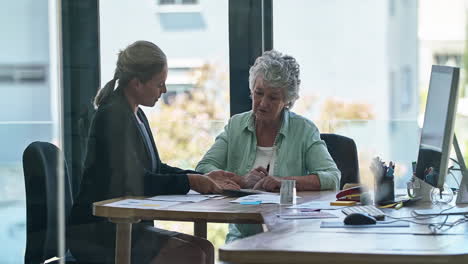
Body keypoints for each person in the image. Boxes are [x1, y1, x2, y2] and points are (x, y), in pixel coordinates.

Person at [67, 40, 240, 264]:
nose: (165, 90)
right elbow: (134, 182)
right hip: (98, 231)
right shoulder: (113, 116)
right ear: (137, 83)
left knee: (205, 248)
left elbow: (156, 169)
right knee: (193, 254)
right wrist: (190, 181)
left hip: (126, 225)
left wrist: (200, 178)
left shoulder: (136, 114)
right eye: (160, 84)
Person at [196, 50, 341, 242]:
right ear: (252, 90)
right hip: (241, 237)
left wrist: (284, 182)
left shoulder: (304, 130)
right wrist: (241, 181)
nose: (263, 103)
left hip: (292, 237)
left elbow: (332, 177)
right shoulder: (235, 126)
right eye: (259, 93)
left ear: (287, 101)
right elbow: (204, 168)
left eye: (273, 97)